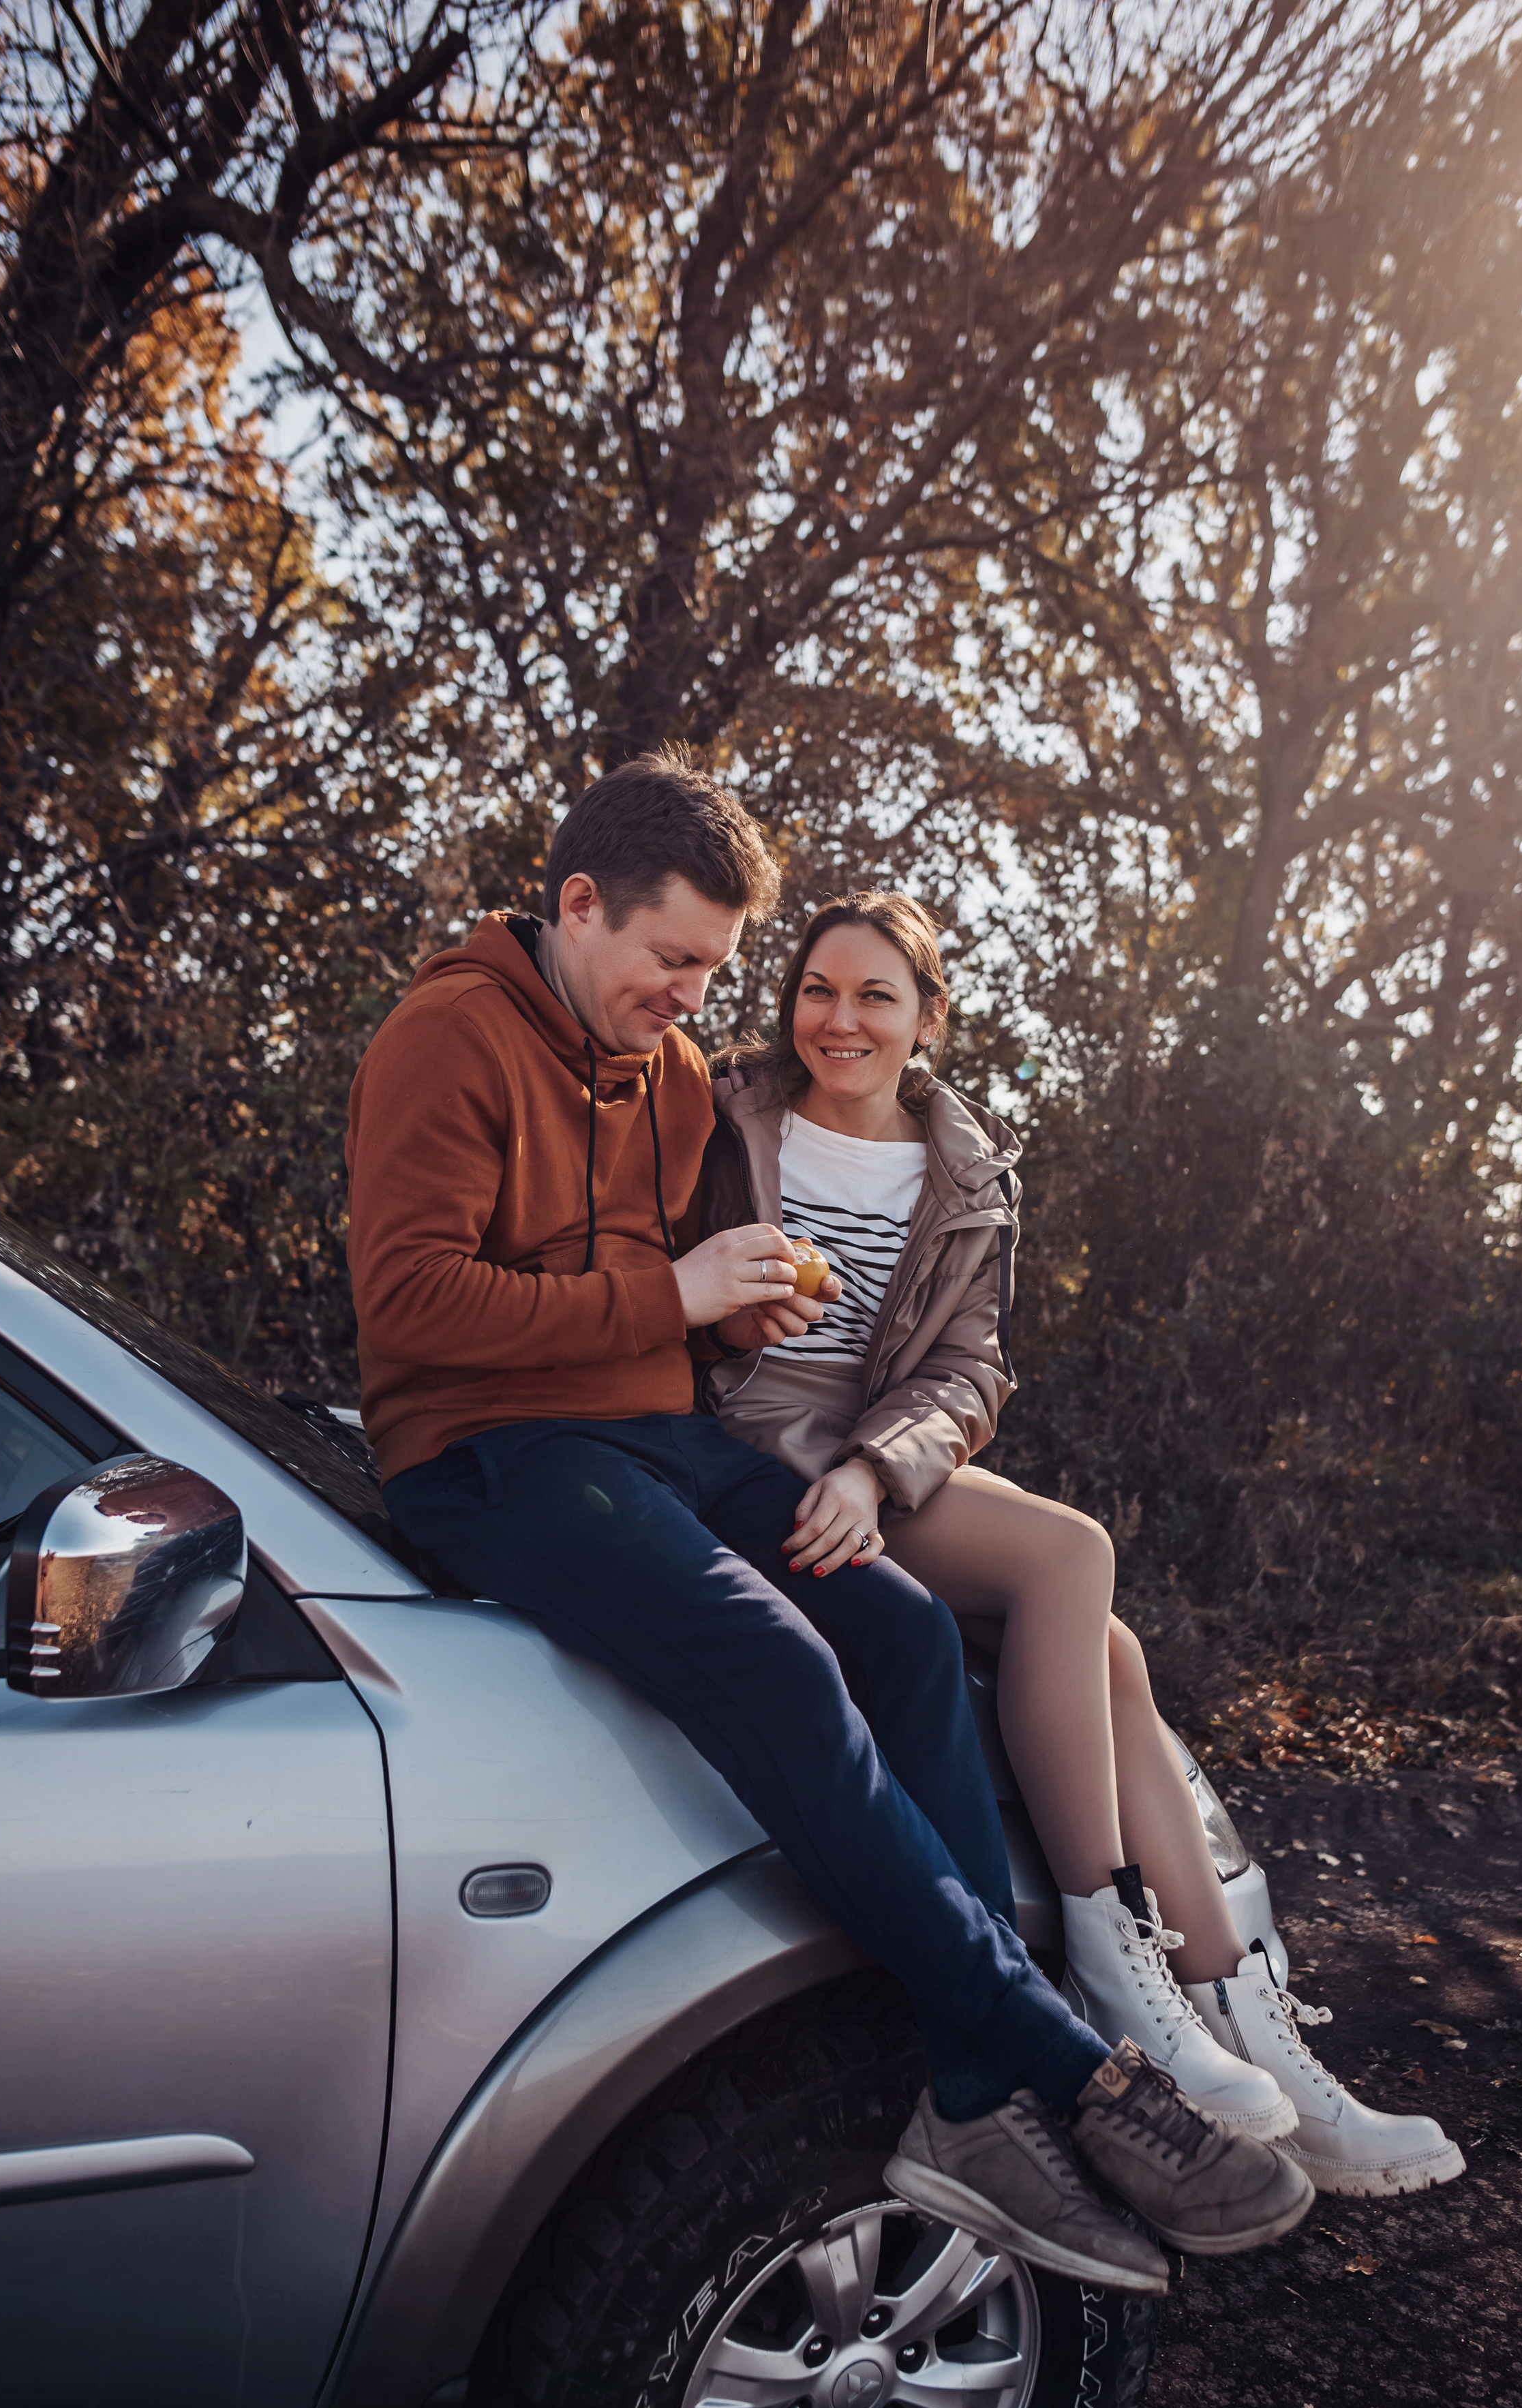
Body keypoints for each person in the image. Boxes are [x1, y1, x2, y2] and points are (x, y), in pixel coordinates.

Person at [346, 749, 1315, 2295]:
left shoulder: (665, 1080)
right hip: (488, 1455)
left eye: (711, 970)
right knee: (784, 1666)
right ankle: (1044, 2069)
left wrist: (735, 1313)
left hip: (652, 1432)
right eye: (672, 960)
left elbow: (670, 1317)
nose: (689, 998)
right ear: (578, 905)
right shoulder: (446, 1034)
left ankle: (966, 2099)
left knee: (903, 1630)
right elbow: (403, 1302)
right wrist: (672, 1295)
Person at [699, 888, 1465, 2201]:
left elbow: (971, 1370)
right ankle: (1121, 1972)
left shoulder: (968, 1168)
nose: (840, 1018)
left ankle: (1261, 2045)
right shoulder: (720, 1115)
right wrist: (722, 1331)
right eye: (818, 989)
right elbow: (647, 1281)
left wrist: (886, 1464)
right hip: (742, 1443)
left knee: (1105, 1650)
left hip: (876, 1454)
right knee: (1072, 1555)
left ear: (928, 1017)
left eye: (877, 995)